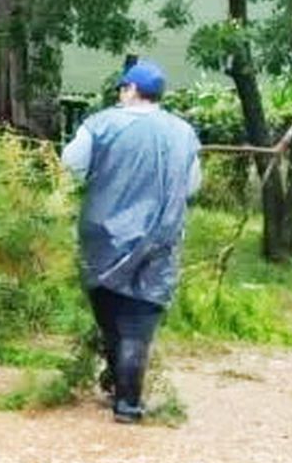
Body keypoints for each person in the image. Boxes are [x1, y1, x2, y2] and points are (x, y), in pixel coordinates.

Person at [61, 59, 201, 423]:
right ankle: (126, 402)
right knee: (139, 327)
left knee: (112, 323)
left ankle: (122, 398)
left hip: (103, 241)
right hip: (160, 244)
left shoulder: (102, 124)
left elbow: (70, 164)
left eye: (123, 88)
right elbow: (193, 186)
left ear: (131, 90)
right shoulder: (184, 133)